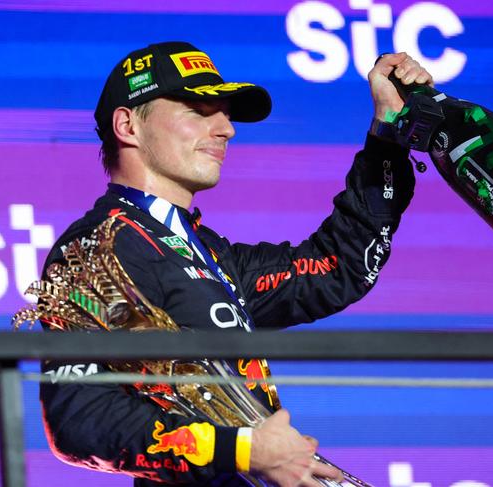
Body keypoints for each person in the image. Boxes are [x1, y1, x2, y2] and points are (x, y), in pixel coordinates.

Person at [39, 41, 433, 487]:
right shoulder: (99, 245)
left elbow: (335, 266)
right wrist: (243, 449)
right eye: (199, 109)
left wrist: (389, 133)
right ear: (128, 125)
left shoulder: (208, 252)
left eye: (224, 112)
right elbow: (79, 420)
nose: (226, 128)